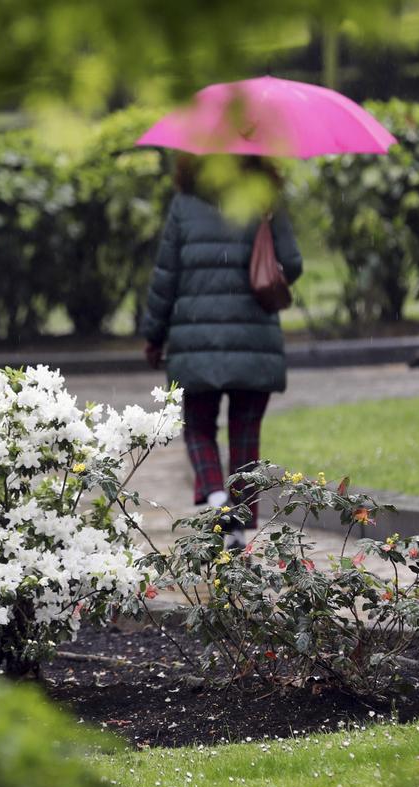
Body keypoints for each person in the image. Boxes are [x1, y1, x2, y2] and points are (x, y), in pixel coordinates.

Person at [140, 155, 303, 548]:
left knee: (198, 427)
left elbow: (166, 277)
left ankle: (217, 501)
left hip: (195, 342)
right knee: (245, 435)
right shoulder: (263, 196)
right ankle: (240, 525)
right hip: (254, 340)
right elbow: (292, 264)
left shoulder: (184, 204)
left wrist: (153, 335)